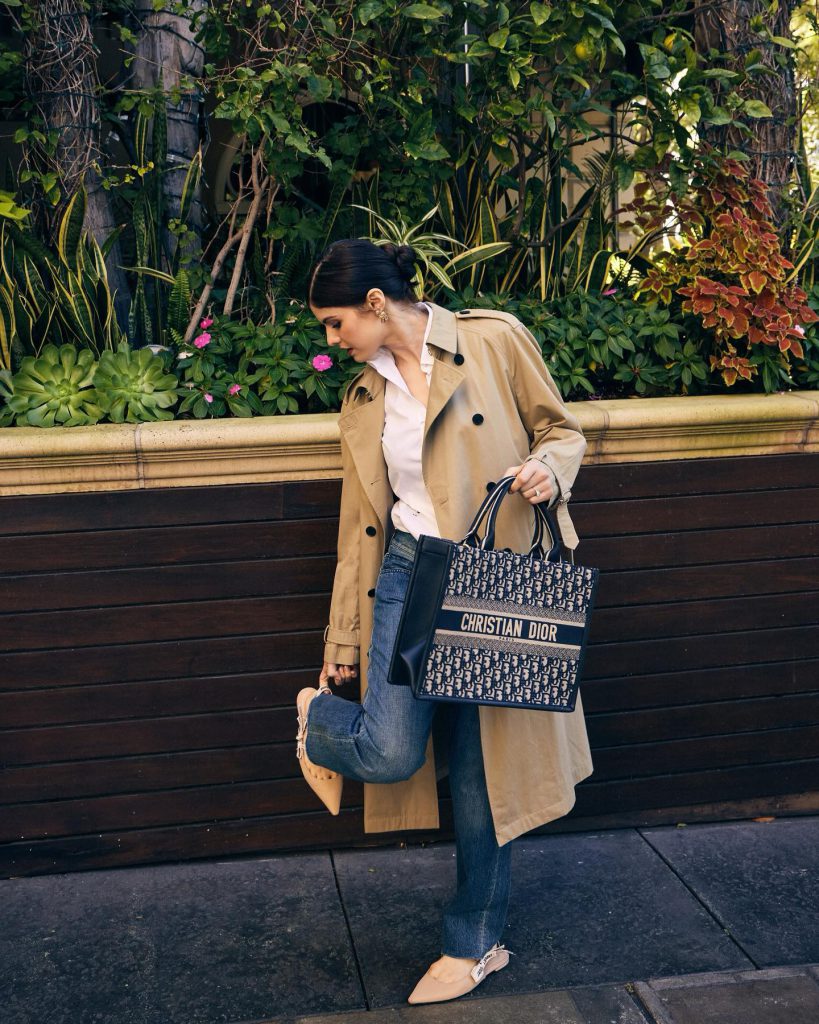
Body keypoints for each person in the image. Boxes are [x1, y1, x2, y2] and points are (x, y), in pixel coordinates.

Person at [296, 238, 594, 1005]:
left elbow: (563, 431)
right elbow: (355, 526)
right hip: (406, 573)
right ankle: (319, 723)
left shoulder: (492, 340)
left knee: (480, 777)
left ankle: (473, 944)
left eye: (335, 325)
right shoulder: (363, 398)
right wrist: (340, 648)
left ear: (373, 304)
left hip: (493, 577)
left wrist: (545, 470)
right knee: (390, 749)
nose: (331, 342)